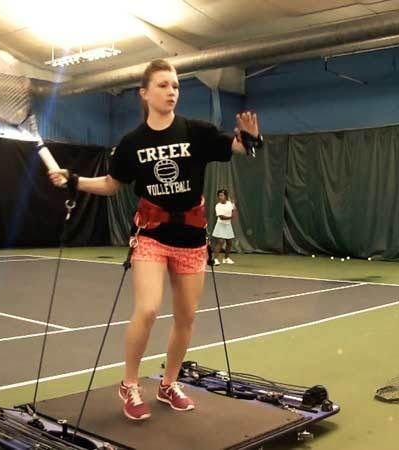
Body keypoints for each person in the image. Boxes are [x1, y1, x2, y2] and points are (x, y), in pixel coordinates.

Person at [48, 59, 261, 421]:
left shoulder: (198, 131)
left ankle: (168, 384)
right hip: (151, 236)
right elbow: (111, 184)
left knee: (186, 317)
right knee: (148, 309)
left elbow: (240, 148)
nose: (171, 92)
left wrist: (251, 140)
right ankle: (130, 385)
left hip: (192, 239)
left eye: (175, 86)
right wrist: (75, 181)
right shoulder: (132, 144)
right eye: (163, 85)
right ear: (145, 93)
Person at [211, 189, 236, 265]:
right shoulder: (218, 206)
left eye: (222, 195)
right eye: (219, 195)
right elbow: (221, 217)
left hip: (228, 225)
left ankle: (226, 258)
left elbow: (234, 212)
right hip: (220, 225)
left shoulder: (229, 203)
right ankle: (215, 259)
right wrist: (231, 217)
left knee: (229, 242)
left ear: (225, 196)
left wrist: (234, 208)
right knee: (220, 241)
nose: (220, 197)